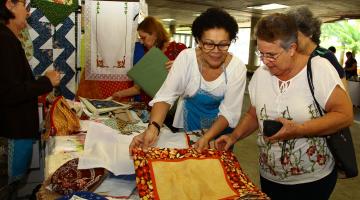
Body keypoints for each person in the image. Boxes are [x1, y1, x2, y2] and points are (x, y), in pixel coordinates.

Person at [215, 13, 353, 200]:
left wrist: (299, 129)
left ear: (292, 48)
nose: (265, 61)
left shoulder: (319, 69)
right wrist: (233, 136)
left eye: (271, 55)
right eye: (261, 54)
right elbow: (254, 114)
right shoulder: (261, 75)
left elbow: (344, 115)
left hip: (311, 180)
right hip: (269, 175)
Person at [129, 7, 247, 153]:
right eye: (209, 43)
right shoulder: (186, 58)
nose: (216, 51)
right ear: (198, 41)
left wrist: (206, 137)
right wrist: (153, 128)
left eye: (223, 44)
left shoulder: (237, 68)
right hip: (189, 123)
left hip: (220, 131)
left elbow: (229, 112)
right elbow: (166, 96)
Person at [0, 0, 60, 198]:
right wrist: (46, 82)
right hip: (12, 132)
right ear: (9, 5)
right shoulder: (4, 40)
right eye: (24, 6)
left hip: (16, 130)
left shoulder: (9, 38)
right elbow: (11, 92)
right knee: (7, 189)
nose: (27, 13)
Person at [112, 16, 187, 102]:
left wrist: (180, 66)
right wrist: (119, 94)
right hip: (152, 107)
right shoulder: (149, 56)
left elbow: (196, 72)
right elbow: (140, 87)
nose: (143, 42)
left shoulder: (178, 49)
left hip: (172, 107)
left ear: (155, 34)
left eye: (144, 38)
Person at [286, 6, 347, 86]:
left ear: (309, 33)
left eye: (295, 36)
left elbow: (342, 86)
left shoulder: (325, 56)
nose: (291, 41)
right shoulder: (292, 55)